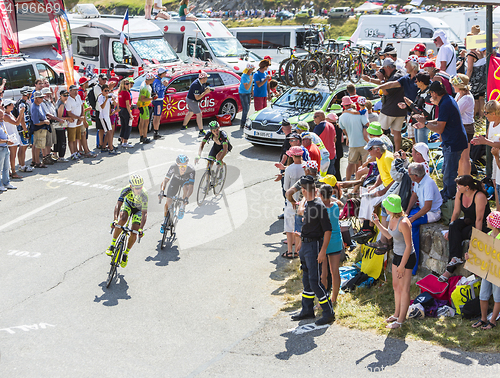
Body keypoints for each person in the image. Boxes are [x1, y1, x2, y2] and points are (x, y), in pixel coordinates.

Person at [290, 175, 335, 326]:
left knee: (315, 282)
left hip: (314, 246)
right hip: (305, 245)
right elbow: (308, 225)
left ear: (303, 190)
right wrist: (301, 241)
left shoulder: (318, 206)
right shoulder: (309, 204)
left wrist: (323, 251)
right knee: (307, 279)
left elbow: (328, 230)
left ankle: (328, 313)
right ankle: (307, 310)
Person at [414, 81, 468, 201]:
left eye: (431, 93)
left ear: (434, 93)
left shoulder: (445, 103)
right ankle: (447, 193)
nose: (431, 96)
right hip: (453, 141)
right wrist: (425, 124)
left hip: (453, 142)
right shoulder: (447, 99)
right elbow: (441, 119)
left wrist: (426, 122)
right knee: (447, 171)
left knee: (449, 173)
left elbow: (439, 128)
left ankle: (450, 198)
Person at [372, 194, 415, 329]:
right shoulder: (391, 217)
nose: (384, 207)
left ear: (391, 207)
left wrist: (402, 265)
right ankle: (396, 314)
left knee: (404, 289)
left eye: (386, 205)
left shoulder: (403, 222)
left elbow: (409, 245)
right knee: (396, 286)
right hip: (397, 255)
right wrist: (377, 223)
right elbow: (389, 235)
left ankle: (401, 320)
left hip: (406, 258)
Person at [441, 175, 490, 282]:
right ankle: (455, 259)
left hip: (482, 225)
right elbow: (456, 212)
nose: (457, 187)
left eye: (459, 185)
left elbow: (479, 219)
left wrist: (477, 238)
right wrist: (450, 231)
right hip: (469, 221)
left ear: (467, 187)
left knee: (470, 234)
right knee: (454, 226)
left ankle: (455, 270)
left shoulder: (479, 196)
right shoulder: (460, 193)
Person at [352, 138, 394, 242]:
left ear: (378, 149)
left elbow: (395, 179)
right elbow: (381, 174)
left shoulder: (388, 158)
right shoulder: (379, 157)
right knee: (366, 194)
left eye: (370, 149)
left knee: (371, 199)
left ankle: (369, 228)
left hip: (391, 187)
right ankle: (365, 227)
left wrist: (383, 191)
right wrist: (375, 186)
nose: (368, 151)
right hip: (384, 185)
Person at [405, 162, 442, 275]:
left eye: (409, 173)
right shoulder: (419, 181)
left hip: (432, 213)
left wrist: (412, 219)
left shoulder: (428, 184)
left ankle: (414, 263)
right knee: (406, 219)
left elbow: (427, 207)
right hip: (422, 209)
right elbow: (414, 195)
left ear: (415, 176)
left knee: (412, 224)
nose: (408, 175)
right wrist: (406, 212)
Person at [106, 174, 148, 268]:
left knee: (134, 231)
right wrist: (115, 220)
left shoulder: (144, 195)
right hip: (128, 205)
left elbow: (144, 213)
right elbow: (118, 205)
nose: (138, 190)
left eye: (140, 187)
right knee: (123, 219)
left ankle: (125, 253)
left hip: (138, 210)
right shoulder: (126, 190)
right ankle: (112, 245)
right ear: (131, 186)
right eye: (135, 188)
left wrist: (141, 229)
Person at [469, 211, 500, 330]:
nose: (486, 221)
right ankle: (483, 318)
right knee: (483, 295)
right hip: (487, 270)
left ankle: (492, 321)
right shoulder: (488, 234)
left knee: (497, 297)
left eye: (489, 220)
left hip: (497, 272)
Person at [318, 178, 343, 304]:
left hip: (324, 242)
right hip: (336, 240)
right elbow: (338, 202)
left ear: (321, 195)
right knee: (335, 271)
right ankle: (334, 299)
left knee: (324, 273)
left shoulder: (320, 210)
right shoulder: (335, 207)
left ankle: (323, 299)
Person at [376, 58, 407, 152]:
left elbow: (385, 92)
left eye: (384, 69)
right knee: (397, 132)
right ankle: (397, 152)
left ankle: (379, 151)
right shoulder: (401, 73)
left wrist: (381, 80)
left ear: (388, 67)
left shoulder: (394, 78)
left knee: (379, 131)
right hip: (401, 110)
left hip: (389, 110)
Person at [159, 154, 195, 228]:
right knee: (168, 200)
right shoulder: (173, 167)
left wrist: (187, 198)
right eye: (181, 166)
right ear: (177, 165)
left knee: (186, 188)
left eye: (184, 166)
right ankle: (165, 220)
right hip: (175, 181)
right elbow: (165, 180)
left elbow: (191, 187)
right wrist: (162, 191)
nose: (183, 168)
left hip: (186, 182)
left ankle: (182, 206)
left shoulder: (191, 170)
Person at [282, 146, 304, 259]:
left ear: (291, 155)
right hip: (303, 202)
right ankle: (297, 251)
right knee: (298, 229)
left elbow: (286, 188)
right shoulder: (306, 167)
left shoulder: (289, 169)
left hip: (291, 202)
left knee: (289, 229)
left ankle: (290, 251)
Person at [400, 71, 435, 144]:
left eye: (416, 81)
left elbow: (425, 114)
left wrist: (410, 104)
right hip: (417, 122)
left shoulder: (429, 95)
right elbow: (415, 108)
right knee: (418, 145)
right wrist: (406, 106)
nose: (415, 82)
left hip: (424, 124)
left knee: (422, 146)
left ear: (421, 82)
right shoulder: (420, 91)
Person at [339, 96, 368, 180]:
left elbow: (344, 131)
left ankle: (347, 182)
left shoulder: (341, 117)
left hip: (352, 144)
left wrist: (348, 137)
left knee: (351, 164)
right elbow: (367, 124)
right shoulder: (359, 114)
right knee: (365, 164)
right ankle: (361, 182)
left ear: (343, 106)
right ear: (351, 104)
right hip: (363, 143)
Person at [451, 74, 474, 176]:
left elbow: (455, 112)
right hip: (461, 127)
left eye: (454, 84)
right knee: (461, 157)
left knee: (464, 157)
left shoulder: (466, 98)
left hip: (466, 127)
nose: (453, 86)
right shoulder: (459, 95)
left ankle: (465, 179)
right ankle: (460, 180)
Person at [182, 71, 212, 137]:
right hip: (192, 100)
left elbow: (202, 89)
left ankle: (183, 126)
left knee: (190, 113)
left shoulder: (202, 82)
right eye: (206, 77)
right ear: (203, 78)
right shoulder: (196, 85)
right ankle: (201, 131)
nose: (207, 79)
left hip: (191, 99)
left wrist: (206, 89)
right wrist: (205, 93)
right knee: (199, 114)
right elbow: (197, 98)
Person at [1, 99, 23, 179]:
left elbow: (17, 122)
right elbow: (17, 123)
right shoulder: (6, 116)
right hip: (10, 138)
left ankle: (10, 172)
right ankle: (13, 172)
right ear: (7, 106)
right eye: (11, 105)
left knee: (11, 156)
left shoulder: (9, 114)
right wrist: (21, 113)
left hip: (13, 137)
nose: (13, 106)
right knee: (12, 156)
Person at [14, 87, 33, 173]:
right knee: (23, 147)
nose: (31, 95)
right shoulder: (22, 104)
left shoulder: (22, 102)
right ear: (27, 94)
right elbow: (21, 118)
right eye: (30, 93)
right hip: (23, 128)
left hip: (23, 127)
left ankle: (22, 165)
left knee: (22, 147)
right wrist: (25, 130)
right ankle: (22, 166)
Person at [30, 91, 51, 168]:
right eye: (41, 97)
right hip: (39, 129)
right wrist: (45, 121)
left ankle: (35, 161)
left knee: (37, 145)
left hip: (41, 128)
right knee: (38, 146)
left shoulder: (38, 105)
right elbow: (36, 122)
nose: (42, 98)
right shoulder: (35, 107)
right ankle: (37, 162)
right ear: (36, 98)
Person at [312, 111, 336, 176]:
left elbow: (313, 141)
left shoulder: (319, 127)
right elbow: (334, 139)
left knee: (322, 178)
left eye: (315, 117)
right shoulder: (331, 125)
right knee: (330, 177)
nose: (314, 119)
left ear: (321, 117)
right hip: (332, 154)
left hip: (323, 157)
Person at [97, 84, 118, 154]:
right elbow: (102, 107)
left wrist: (113, 100)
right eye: (105, 91)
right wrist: (106, 100)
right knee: (109, 132)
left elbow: (114, 104)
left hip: (107, 116)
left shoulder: (108, 96)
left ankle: (103, 147)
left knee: (110, 132)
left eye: (107, 90)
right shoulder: (100, 97)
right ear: (102, 91)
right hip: (103, 117)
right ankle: (111, 148)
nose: (107, 92)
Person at [65, 84, 84, 159]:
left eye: (76, 90)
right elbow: (69, 113)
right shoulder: (68, 100)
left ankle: (76, 152)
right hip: (72, 122)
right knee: (71, 139)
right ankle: (72, 153)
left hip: (78, 121)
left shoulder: (78, 97)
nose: (76, 92)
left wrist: (81, 117)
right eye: (74, 90)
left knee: (76, 138)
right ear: (70, 91)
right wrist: (79, 118)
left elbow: (82, 106)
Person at [0, 108, 17, 191]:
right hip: (1, 148)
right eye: (0, 116)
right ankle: (0, 185)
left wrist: (9, 139)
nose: (2, 118)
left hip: (5, 147)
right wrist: (6, 141)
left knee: (6, 167)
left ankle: (6, 183)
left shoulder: (2, 123)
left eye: (2, 116)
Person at [137, 72, 155, 144]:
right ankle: (145, 137)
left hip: (142, 105)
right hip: (144, 105)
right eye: (152, 79)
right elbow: (142, 99)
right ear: (149, 79)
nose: (153, 81)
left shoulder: (146, 84)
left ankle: (141, 136)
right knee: (146, 122)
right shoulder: (144, 87)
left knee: (141, 121)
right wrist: (151, 99)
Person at [54, 89, 71, 162]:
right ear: (60, 96)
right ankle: (61, 156)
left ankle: (55, 154)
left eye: (67, 95)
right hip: (60, 125)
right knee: (62, 140)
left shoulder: (59, 101)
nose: (66, 97)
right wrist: (68, 118)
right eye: (64, 95)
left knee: (58, 140)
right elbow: (59, 117)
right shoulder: (61, 104)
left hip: (58, 125)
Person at [92, 74, 108, 148]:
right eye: (103, 79)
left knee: (104, 128)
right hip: (99, 110)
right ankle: (100, 144)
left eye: (106, 79)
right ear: (99, 79)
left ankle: (104, 143)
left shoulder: (104, 87)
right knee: (100, 129)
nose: (105, 80)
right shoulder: (97, 88)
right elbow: (102, 96)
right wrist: (109, 89)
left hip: (105, 110)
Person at [152, 68, 168, 140]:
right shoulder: (157, 81)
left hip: (157, 100)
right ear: (162, 74)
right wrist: (164, 86)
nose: (166, 74)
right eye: (165, 73)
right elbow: (159, 91)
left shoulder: (157, 80)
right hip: (158, 101)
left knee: (157, 116)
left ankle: (156, 132)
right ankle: (156, 132)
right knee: (157, 116)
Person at [326, 113, 342, 182]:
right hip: (339, 149)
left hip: (333, 150)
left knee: (332, 169)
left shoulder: (329, 128)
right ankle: (339, 181)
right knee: (337, 168)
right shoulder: (339, 128)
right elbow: (341, 140)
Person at [239, 63, 254, 129]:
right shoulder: (244, 76)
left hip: (248, 93)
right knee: (245, 108)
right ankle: (243, 123)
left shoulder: (250, 75)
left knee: (247, 108)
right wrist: (250, 80)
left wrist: (252, 92)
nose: (253, 70)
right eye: (252, 69)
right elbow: (247, 87)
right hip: (243, 93)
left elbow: (250, 86)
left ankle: (244, 121)